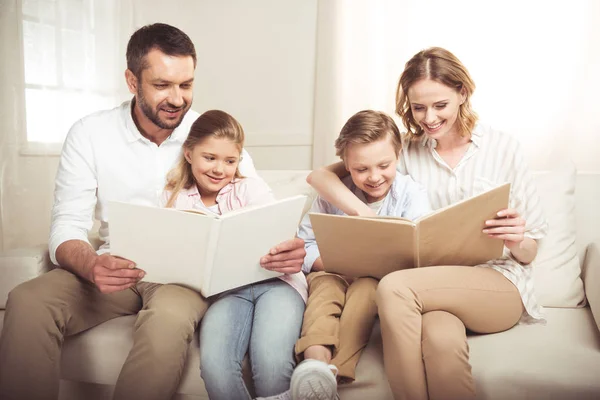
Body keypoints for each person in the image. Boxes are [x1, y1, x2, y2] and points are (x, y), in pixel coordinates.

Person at [0, 23, 305, 400]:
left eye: (186, 85)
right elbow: (66, 226)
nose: (177, 99)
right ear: (132, 81)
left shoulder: (210, 133)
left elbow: (256, 210)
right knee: (28, 301)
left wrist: (284, 246)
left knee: (168, 321)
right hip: (115, 266)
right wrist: (92, 265)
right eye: (162, 85)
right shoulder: (90, 133)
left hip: (183, 277)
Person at [305, 47, 548, 400]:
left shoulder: (503, 148)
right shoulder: (404, 150)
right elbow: (320, 177)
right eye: (418, 107)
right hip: (430, 289)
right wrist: (364, 214)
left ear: (462, 93)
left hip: (496, 283)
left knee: (393, 286)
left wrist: (516, 239)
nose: (429, 118)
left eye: (440, 105)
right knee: (440, 341)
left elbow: (529, 252)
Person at [163, 108, 308, 400]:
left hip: (276, 283)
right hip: (226, 291)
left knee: (271, 362)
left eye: (230, 161)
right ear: (189, 154)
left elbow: (281, 234)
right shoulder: (175, 199)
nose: (219, 169)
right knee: (215, 366)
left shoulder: (248, 188)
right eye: (210, 158)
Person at [287, 110, 431, 400]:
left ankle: (333, 373)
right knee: (323, 295)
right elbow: (304, 244)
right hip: (333, 269)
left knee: (364, 296)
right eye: (361, 169)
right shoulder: (334, 195)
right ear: (345, 166)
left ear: (398, 155)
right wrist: (332, 263)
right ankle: (313, 366)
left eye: (383, 165)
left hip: (377, 279)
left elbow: (419, 250)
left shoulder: (409, 194)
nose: (374, 177)